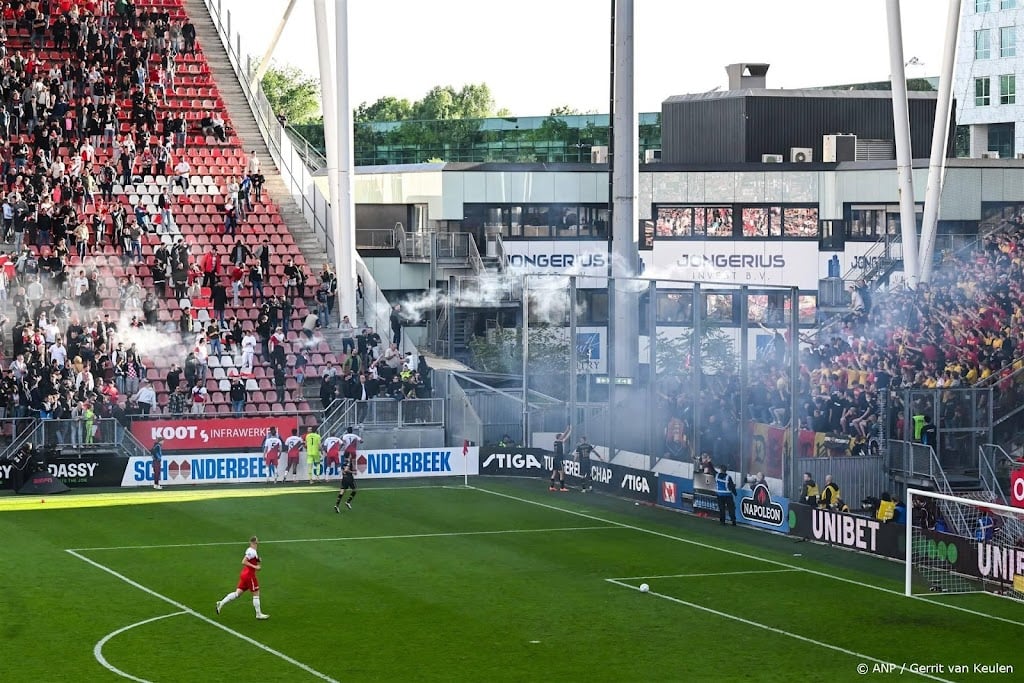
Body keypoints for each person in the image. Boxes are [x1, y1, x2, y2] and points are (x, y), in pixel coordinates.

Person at [215, 536, 270, 620]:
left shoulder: (251, 550)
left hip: (245, 574)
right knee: (256, 593)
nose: (258, 543)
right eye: (257, 541)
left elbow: (252, 560)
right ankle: (258, 614)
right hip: (249, 575)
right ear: (254, 542)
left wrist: (258, 560)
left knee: (237, 593)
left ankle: (221, 603)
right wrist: (255, 567)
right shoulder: (252, 551)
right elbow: (244, 561)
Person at [549, 425, 571, 492]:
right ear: (559, 437)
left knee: (554, 472)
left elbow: (564, 435)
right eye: (561, 436)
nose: (562, 436)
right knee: (561, 472)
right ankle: (562, 487)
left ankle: (551, 487)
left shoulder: (555, 442)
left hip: (555, 458)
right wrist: (570, 431)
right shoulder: (559, 442)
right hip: (559, 458)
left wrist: (567, 430)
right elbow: (565, 437)